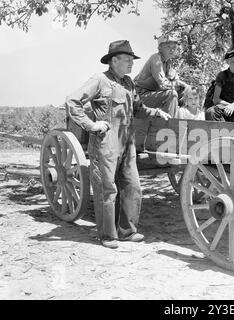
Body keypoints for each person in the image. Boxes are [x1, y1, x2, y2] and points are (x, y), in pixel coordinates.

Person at [65, 40, 170, 249]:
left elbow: (139, 108)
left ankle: (127, 231)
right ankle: (107, 235)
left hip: (127, 142)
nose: (131, 64)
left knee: (133, 187)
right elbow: (72, 101)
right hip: (105, 143)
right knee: (107, 190)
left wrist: (157, 112)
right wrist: (91, 125)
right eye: (128, 60)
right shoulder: (99, 80)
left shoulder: (129, 83)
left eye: (132, 60)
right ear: (114, 61)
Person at [134, 35, 189, 117]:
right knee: (172, 94)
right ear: (160, 48)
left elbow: (174, 79)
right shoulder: (156, 59)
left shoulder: (168, 63)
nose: (172, 50)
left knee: (184, 93)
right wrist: (177, 84)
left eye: (174, 47)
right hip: (141, 97)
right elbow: (163, 84)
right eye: (168, 47)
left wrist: (184, 87)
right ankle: (167, 125)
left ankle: (178, 120)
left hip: (153, 95)